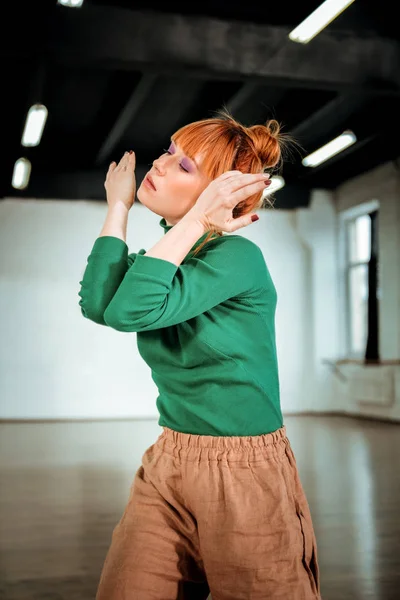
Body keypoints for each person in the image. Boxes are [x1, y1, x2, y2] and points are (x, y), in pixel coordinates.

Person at [78, 110, 321, 600]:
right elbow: (100, 305)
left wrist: (193, 222)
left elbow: (129, 313)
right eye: (169, 151)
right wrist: (118, 208)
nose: (162, 164)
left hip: (246, 471)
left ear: (220, 196)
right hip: (169, 459)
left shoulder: (237, 258)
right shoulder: (168, 256)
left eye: (185, 167)